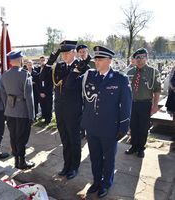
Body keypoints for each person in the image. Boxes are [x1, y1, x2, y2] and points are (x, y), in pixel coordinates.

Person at [81, 46, 132, 198]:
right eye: (95, 59)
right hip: (92, 127)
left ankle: (106, 183)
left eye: (100, 59)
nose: (96, 61)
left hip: (110, 128)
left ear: (109, 60)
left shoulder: (120, 79)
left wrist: (123, 127)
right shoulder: (90, 76)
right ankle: (96, 181)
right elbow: (86, 102)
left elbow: (127, 105)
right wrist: (84, 123)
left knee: (108, 158)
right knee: (95, 157)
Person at [51, 40, 89, 180]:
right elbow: (47, 78)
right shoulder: (59, 66)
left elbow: (71, 86)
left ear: (74, 53)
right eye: (63, 54)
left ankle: (74, 167)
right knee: (65, 139)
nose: (64, 56)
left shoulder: (82, 67)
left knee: (74, 139)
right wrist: (51, 60)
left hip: (73, 109)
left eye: (67, 53)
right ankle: (66, 165)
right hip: (60, 109)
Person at [1, 50, 35, 169]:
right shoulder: (25, 74)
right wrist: (31, 115)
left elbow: (3, 94)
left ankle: (16, 160)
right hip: (22, 111)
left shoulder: (4, 74)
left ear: (10, 61)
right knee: (22, 137)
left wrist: (7, 108)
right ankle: (22, 162)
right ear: (20, 60)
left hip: (10, 110)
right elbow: (29, 97)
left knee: (13, 136)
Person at [125, 48, 161, 158]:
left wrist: (155, 105)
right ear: (134, 59)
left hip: (145, 104)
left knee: (143, 127)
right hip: (132, 104)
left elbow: (157, 90)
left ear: (147, 58)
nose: (140, 60)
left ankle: (141, 148)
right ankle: (133, 146)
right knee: (133, 126)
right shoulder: (130, 72)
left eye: (142, 57)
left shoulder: (153, 72)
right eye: (137, 58)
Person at [39, 56, 53, 124]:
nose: (42, 61)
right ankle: (44, 116)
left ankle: (48, 119)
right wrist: (40, 92)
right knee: (43, 105)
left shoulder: (50, 69)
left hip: (48, 92)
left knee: (48, 105)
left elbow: (51, 83)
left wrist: (46, 93)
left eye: (44, 60)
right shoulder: (38, 69)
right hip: (41, 91)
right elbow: (38, 81)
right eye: (41, 60)